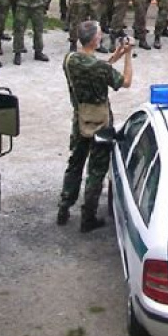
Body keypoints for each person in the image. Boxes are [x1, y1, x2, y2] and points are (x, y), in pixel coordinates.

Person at [57, 20, 133, 232]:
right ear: (95, 40)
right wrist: (128, 55)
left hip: (80, 118)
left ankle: (64, 206)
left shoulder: (70, 60)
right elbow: (126, 81)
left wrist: (117, 53)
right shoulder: (100, 68)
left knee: (75, 164)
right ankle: (88, 217)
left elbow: (97, 66)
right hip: (101, 123)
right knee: (96, 171)